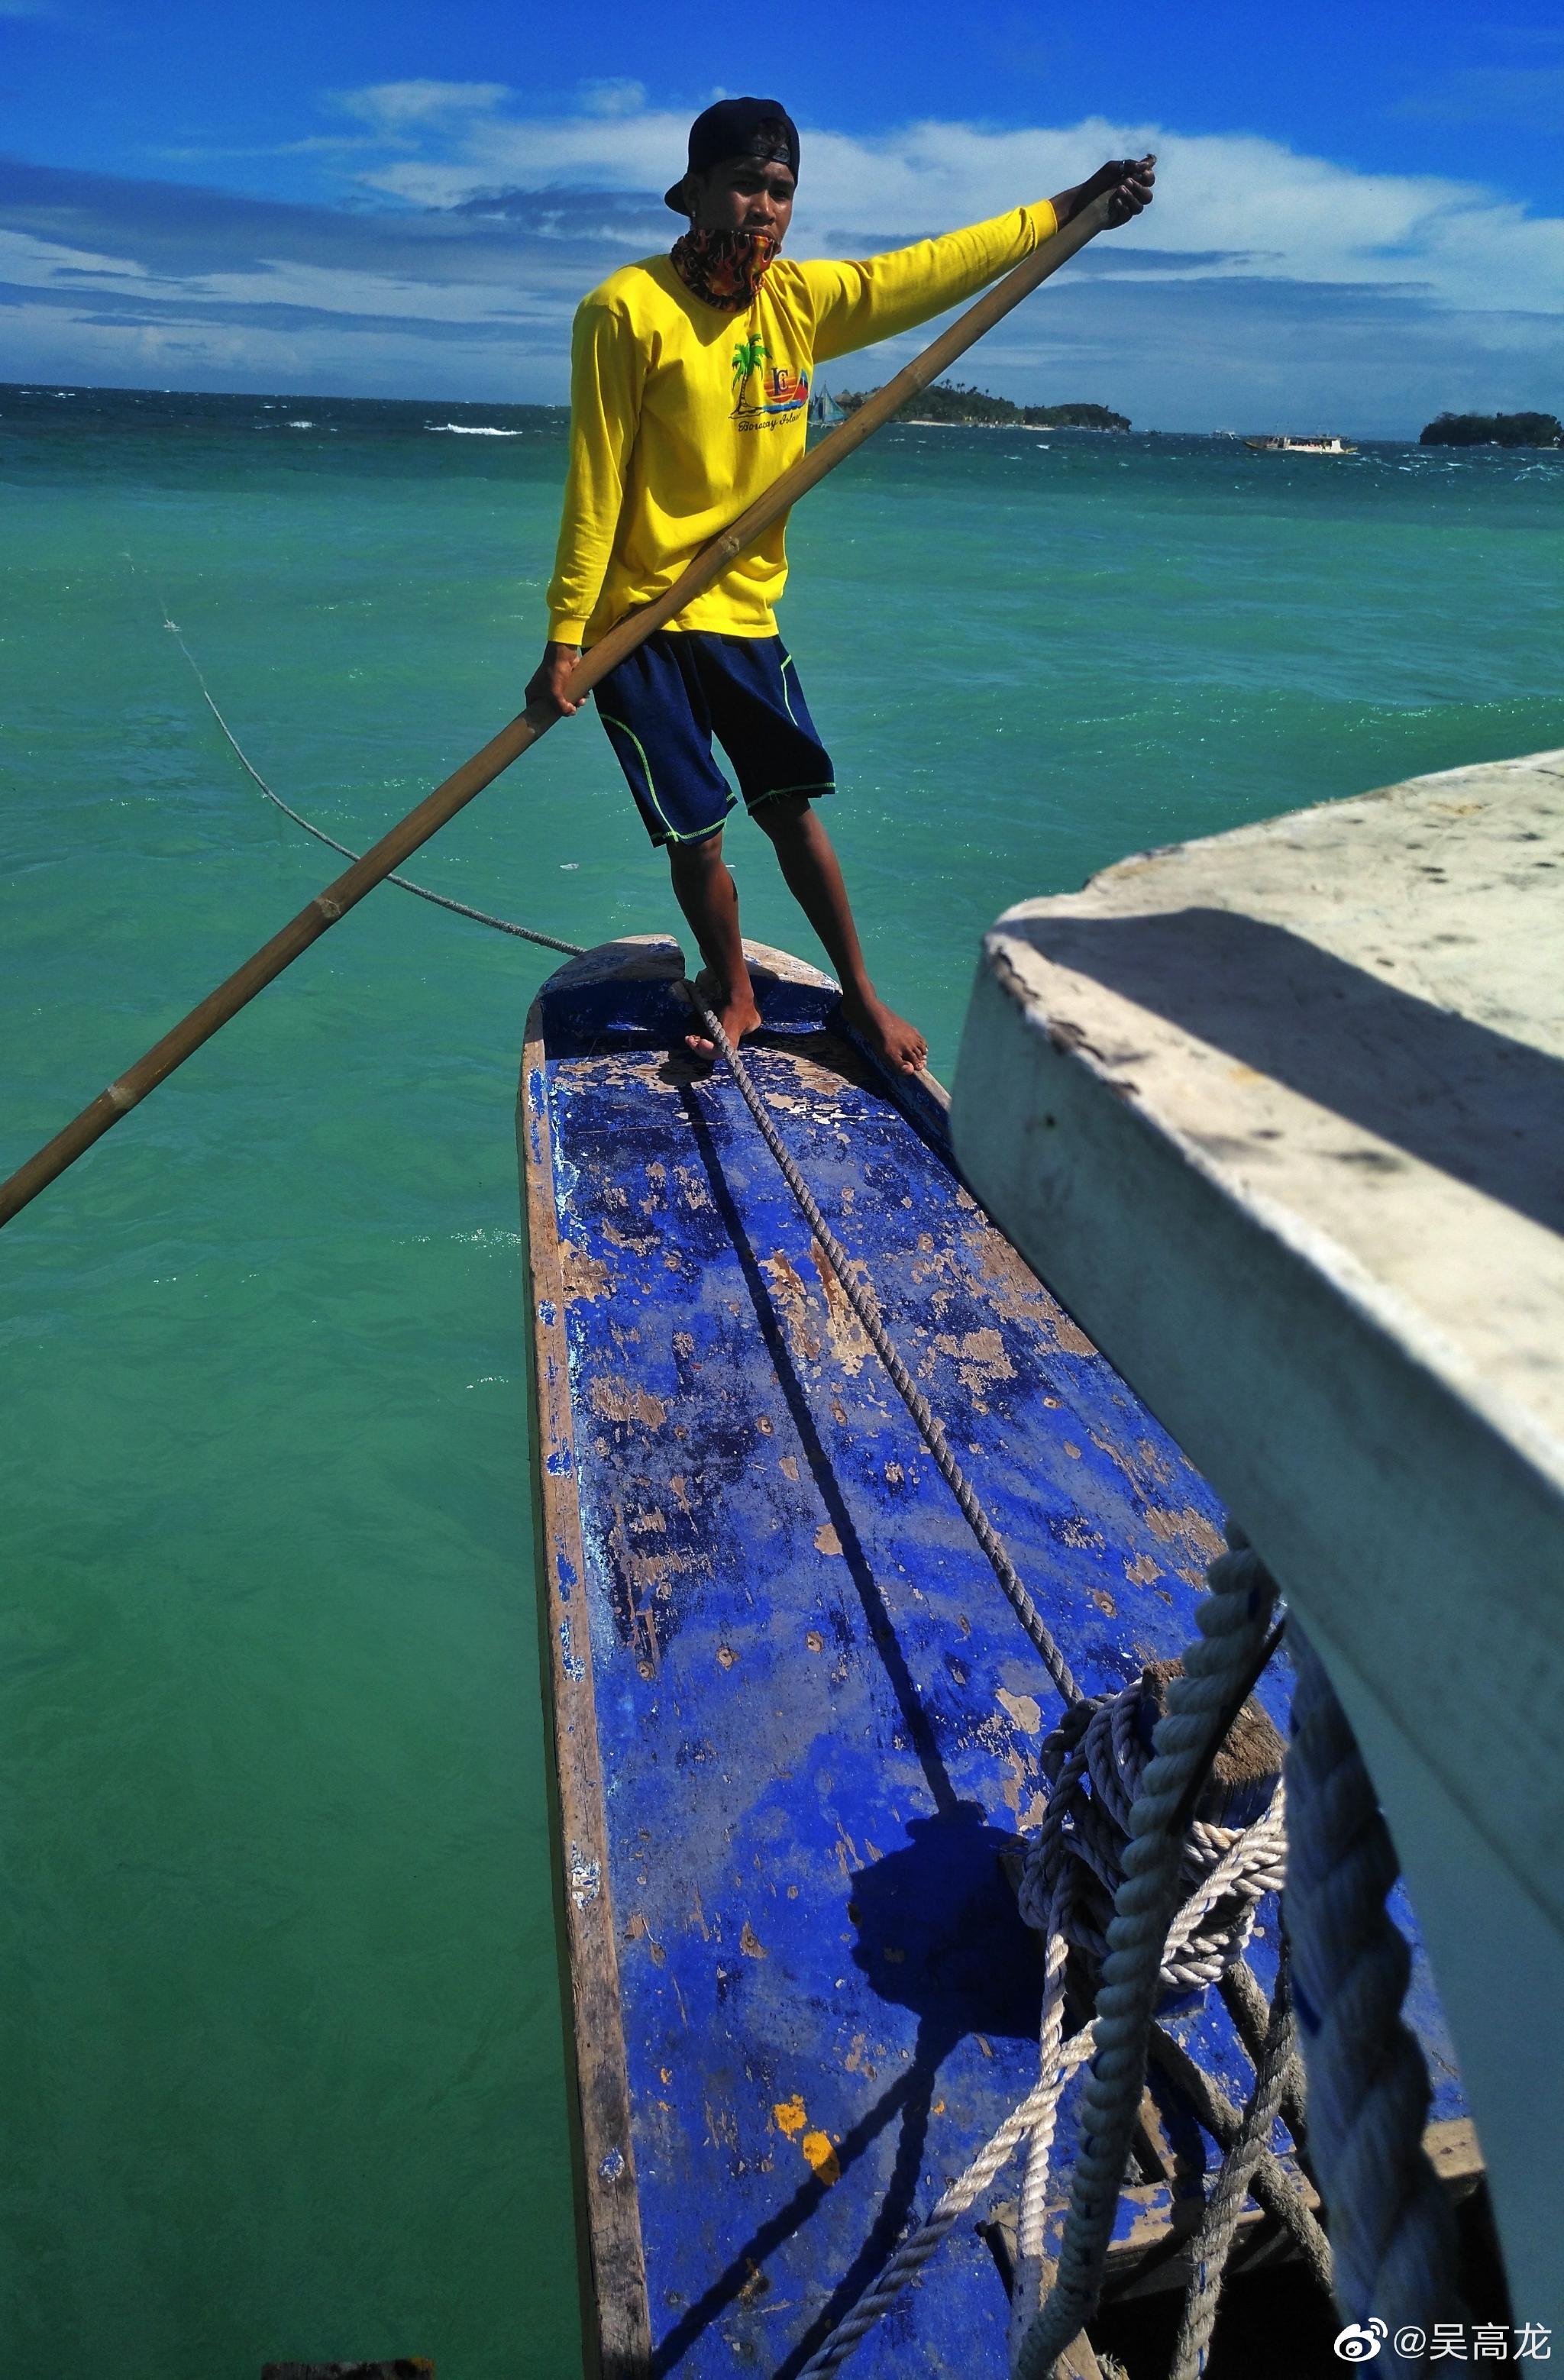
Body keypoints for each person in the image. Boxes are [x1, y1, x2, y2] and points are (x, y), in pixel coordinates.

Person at [528, 98, 1154, 1071]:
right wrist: (566, 637)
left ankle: (859, 995)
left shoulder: (802, 304)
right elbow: (595, 483)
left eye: (780, 191)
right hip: (638, 622)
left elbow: (943, 264)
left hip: (741, 608)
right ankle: (732, 992)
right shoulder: (624, 312)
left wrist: (1075, 205)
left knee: (788, 806)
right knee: (695, 835)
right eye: (743, 185)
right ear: (693, 194)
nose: (763, 208)